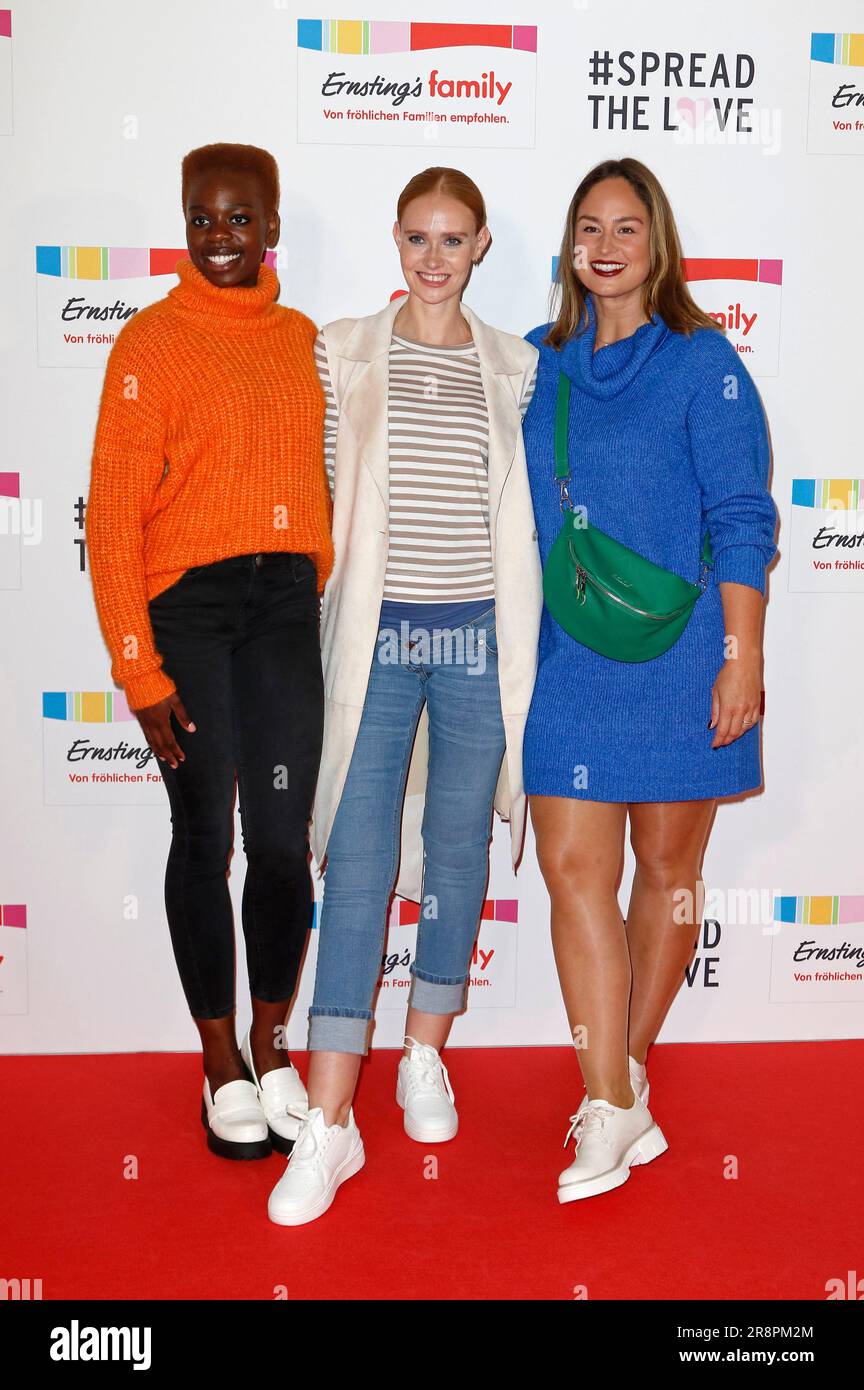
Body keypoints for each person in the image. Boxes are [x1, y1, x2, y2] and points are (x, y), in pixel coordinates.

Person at [267, 166, 542, 1226]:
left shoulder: (513, 368)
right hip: (379, 639)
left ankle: (425, 1049)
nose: (435, 257)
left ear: (479, 248)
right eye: (419, 237)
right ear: (396, 241)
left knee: (464, 842)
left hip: (476, 638)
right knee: (363, 854)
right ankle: (333, 1116)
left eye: (454, 239)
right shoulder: (342, 353)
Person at [520, 158, 777, 1203]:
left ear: (657, 243)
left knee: (666, 869)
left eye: (629, 226)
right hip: (572, 654)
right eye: (591, 226)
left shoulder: (703, 362)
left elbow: (743, 517)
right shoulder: (538, 364)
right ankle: (614, 1091)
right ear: (571, 245)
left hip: (683, 654)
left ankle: (616, 1090)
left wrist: (741, 654)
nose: (609, 243)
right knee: (572, 864)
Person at [85, 143, 333, 1162]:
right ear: (184, 224)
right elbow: (111, 522)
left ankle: (276, 1041)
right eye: (202, 217)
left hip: (282, 605)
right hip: (188, 611)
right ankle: (219, 1055)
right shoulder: (148, 344)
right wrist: (140, 669)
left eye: (240, 218)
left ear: (272, 227)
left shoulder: (302, 338)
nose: (220, 236)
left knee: (279, 837)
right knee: (205, 834)